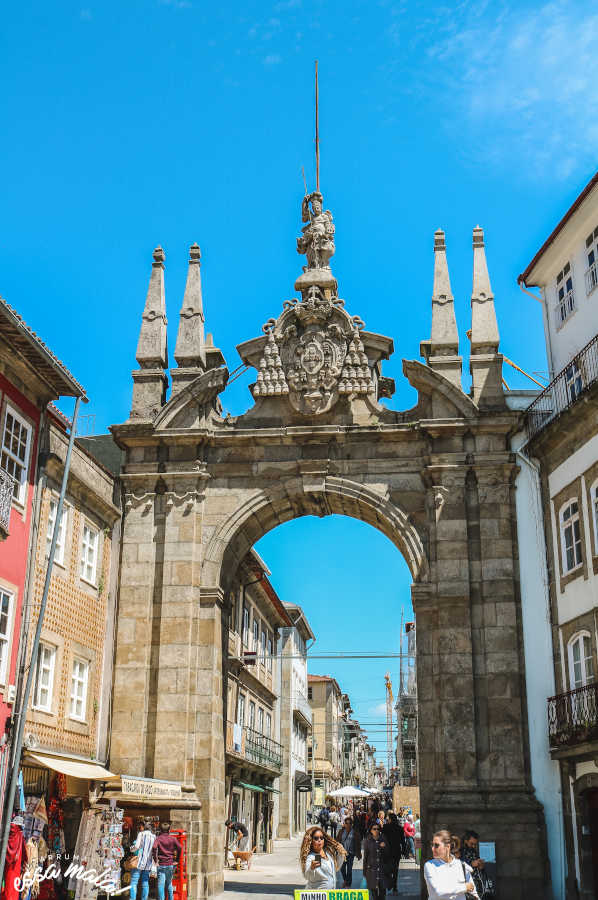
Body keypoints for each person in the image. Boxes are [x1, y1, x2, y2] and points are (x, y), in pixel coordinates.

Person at [424, 830, 478, 899]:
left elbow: (473, 891)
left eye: (436, 845)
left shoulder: (462, 865)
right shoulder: (430, 866)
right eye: (432, 845)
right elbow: (438, 892)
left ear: (448, 846)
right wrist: (464, 887)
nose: (432, 848)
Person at [300, 825, 346, 890]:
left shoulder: (328, 854)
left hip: (329, 894)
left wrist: (341, 854)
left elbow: (336, 868)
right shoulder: (311, 857)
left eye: (321, 838)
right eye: (316, 838)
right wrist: (311, 868)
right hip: (317, 895)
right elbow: (307, 876)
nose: (319, 840)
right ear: (311, 841)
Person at [362, 822, 393, 900]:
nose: (376, 830)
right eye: (374, 829)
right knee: (374, 894)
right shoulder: (367, 841)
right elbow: (365, 857)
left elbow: (388, 854)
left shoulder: (384, 839)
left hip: (382, 870)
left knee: (382, 894)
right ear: (371, 830)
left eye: (378, 829)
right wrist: (364, 871)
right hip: (372, 870)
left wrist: (384, 847)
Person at [152, 822, 182, 900]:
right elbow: (180, 847)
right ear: (169, 830)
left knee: (161, 885)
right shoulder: (173, 839)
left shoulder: (158, 838)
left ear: (161, 830)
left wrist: (156, 860)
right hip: (170, 864)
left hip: (161, 864)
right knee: (169, 883)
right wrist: (177, 860)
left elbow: (154, 847)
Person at [129, 820, 156, 900]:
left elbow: (136, 846)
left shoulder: (141, 834)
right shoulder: (154, 836)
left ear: (145, 828)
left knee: (134, 882)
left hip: (139, 862)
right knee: (145, 883)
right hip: (148, 863)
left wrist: (131, 849)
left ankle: (132, 898)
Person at [382, 813, 403, 894]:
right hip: (397, 851)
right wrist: (404, 851)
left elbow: (382, 838)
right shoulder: (400, 828)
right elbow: (402, 841)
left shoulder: (386, 827)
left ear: (390, 819)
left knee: (387, 868)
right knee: (395, 870)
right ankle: (394, 887)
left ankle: (390, 883)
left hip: (387, 851)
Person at [339, 815, 361, 888]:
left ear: (352, 824)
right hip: (343, 854)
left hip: (351, 853)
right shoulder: (341, 831)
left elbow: (358, 843)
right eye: (347, 823)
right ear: (344, 824)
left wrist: (358, 853)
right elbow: (337, 841)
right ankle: (345, 880)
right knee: (342, 868)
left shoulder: (355, 832)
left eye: (350, 823)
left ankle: (348, 884)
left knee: (349, 870)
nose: (348, 825)